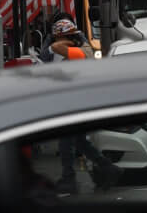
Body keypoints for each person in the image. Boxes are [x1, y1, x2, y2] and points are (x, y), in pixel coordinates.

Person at [48, 18, 122, 195]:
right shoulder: (78, 49)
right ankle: (109, 169)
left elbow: (56, 48)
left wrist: (60, 41)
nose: (55, 42)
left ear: (69, 37)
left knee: (66, 141)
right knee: (80, 142)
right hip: (77, 102)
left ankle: (69, 179)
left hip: (77, 104)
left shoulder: (81, 51)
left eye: (57, 37)